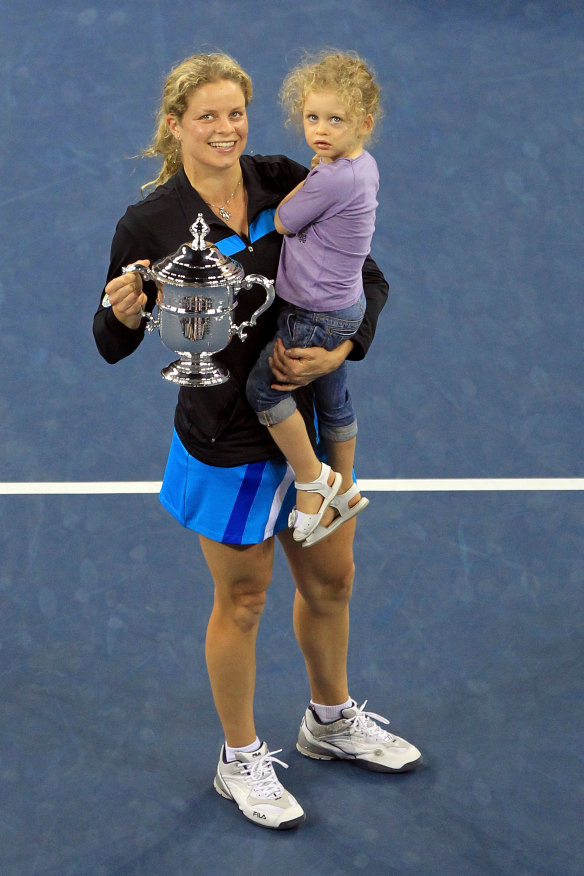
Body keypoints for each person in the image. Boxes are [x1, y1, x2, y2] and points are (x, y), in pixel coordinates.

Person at [93, 52, 421, 832]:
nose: (225, 128)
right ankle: (239, 757)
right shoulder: (150, 224)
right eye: (206, 115)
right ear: (175, 127)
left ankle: (329, 720)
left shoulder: (283, 179)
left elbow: (365, 278)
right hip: (225, 441)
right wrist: (125, 311)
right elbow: (111, 341)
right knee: (243, 599)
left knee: (333, 583)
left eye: (235, 112)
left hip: (304, 423)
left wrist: (343, 349)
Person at [246, 52, 380, 546]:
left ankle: (312, 481)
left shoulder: (329, 177)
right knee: (332, 398)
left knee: (266, 390)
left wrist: (304, 183)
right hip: (347, 309)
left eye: (336, 119)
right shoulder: (363, 166)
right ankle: (344, 487)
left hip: (314, 315)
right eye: (312, 117)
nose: (320, 130)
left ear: (364, 122)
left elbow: (283, 220)